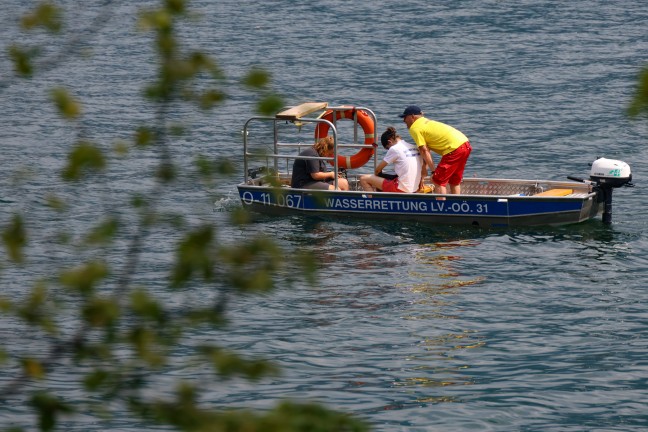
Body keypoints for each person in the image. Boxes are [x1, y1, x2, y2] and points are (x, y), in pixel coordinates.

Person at [399, 105, 472, 195]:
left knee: (437, 180)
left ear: (412, 116)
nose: (404, 121)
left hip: (454, 149)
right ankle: (457, 204)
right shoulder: (426, 122)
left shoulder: (415, 128)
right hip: (465, 144)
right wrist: (423, 173)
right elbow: (426, 151)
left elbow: (424, 150)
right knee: (454, 180)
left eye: (405, 117)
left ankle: (441, 207)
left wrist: (434, 171)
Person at [359, 127, 424, 193]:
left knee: (364, 178)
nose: (388, 150)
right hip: (415, 188)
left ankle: (374, 201)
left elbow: (377, 170)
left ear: (389, 142)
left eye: (387, 148)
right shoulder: (413, 146)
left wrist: (379, 176)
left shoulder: (394, 148)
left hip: (402, 188)